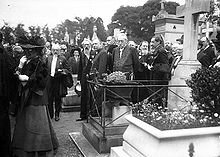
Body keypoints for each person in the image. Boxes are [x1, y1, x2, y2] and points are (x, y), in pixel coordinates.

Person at [12, 36, 59, 156]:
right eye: (26, 49)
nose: (28, 52)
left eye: (31, 50)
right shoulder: (26, 61)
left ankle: (40, 149)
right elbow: (16, 75)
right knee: (26, 122)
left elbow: (42, 82)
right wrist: (21, 66)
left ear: (37, 51)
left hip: (36, 98)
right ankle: (26, 150)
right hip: (27, 97)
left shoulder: (40, 62)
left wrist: (28, 79)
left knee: (37, 124)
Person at [0, 31, 15, 157]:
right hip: (4, 96)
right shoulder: (7, 55)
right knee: (4, 124)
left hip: (2, 96)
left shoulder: (4, 55)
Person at [46, 43, 70, 121]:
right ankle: (50, 114)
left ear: (59, 51)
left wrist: (62, 71)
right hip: (50, 80)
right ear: (52, 51)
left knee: (57, 98)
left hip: (58, 80)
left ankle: (57, 114)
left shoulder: (63, 58)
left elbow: (68, 69)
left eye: (57, 50)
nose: (55, 51)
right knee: (49, 98)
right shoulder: (48, 58)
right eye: (54, 50)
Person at [149, 35, 170, 108]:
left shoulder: (161, 50)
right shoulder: (157, 50)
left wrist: (154, 67)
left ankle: (158, 107)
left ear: (158, 42)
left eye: (153, 42)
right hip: (156, 75)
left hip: (159, 76)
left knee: (157, 93)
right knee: (155, 92)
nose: (151, 44)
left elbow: (165, 65)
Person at [77, 38, 93, 121]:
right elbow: (80, 67)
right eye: (84, 45)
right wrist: (79, 79)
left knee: (91, 96)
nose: (86, 46)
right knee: (83, 96)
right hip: (83, 78)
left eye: (87, 45)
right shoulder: (82, 54)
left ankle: (91, 114)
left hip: (91, 77)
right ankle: (83, 115)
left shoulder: (93, 54)